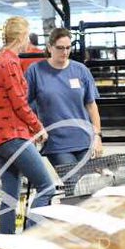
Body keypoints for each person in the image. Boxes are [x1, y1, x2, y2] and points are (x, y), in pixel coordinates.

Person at [0, 16, 56, 235]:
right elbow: (19, 103)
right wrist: (38, 127)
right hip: (13, 136)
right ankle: (32, 236)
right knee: (46, 186)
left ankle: (5, 241)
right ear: (22, 36)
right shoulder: (11, 62)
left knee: (10, 195)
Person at [24, 27, 102, 168]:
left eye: (68, 47)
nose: (65, 52)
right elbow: (24, 105)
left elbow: (91, 106)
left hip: (84, 139)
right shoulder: (35, 71)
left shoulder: (81, 70)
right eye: (60, 48)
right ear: (49, 47)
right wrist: (34, 128)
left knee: (89, 182)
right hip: (56, 142)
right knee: (73, 181)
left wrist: (97, 136)